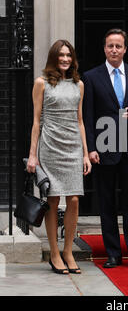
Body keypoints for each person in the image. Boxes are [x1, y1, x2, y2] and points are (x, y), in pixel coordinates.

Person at [83, 28, 128, 271]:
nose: (114, 50)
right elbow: (88, 115)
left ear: (125, 49)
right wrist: (91, 148)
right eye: (110, 46)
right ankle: (113, 253)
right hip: (104, 150)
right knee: (107, 204)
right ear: (104, 48)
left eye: (118, 46)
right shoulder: (91, 77)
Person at [27, 40, 92, 274]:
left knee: (74, 199)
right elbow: (36, 121)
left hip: (73, 147)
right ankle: (54, 252)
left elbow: (80, 121)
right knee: (53, 200)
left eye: (68, 55)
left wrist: (85, 153)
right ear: (54, 58)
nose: (65, 59)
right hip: (50, 146)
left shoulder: (79, 85)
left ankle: (68, 251)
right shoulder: (41, 83)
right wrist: (32, 155)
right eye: (61, 55)